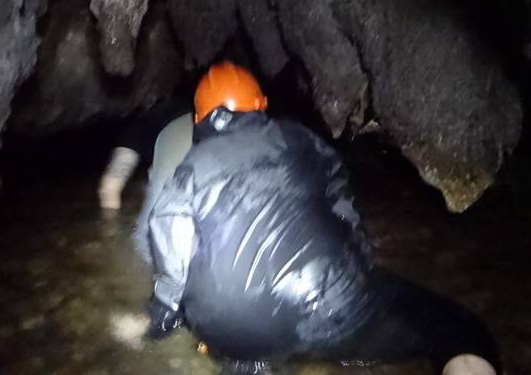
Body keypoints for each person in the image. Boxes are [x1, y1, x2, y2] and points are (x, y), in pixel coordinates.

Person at [144, 62, 500, 374]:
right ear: (260, 106)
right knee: (460, 329)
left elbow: (167, 227)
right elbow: (342, 205)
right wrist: (359, 265)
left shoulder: (192, 165)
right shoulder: (298, 139)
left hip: (230, 328)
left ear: (200, 119)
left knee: (242, 326)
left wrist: (167, 305)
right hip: (328, 306)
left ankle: (250, 360)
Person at [97, 97, 193, 262]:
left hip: (169, 212)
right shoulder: (194, 111)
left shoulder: (137, 129)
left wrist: (110, 234)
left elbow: (109, 187)